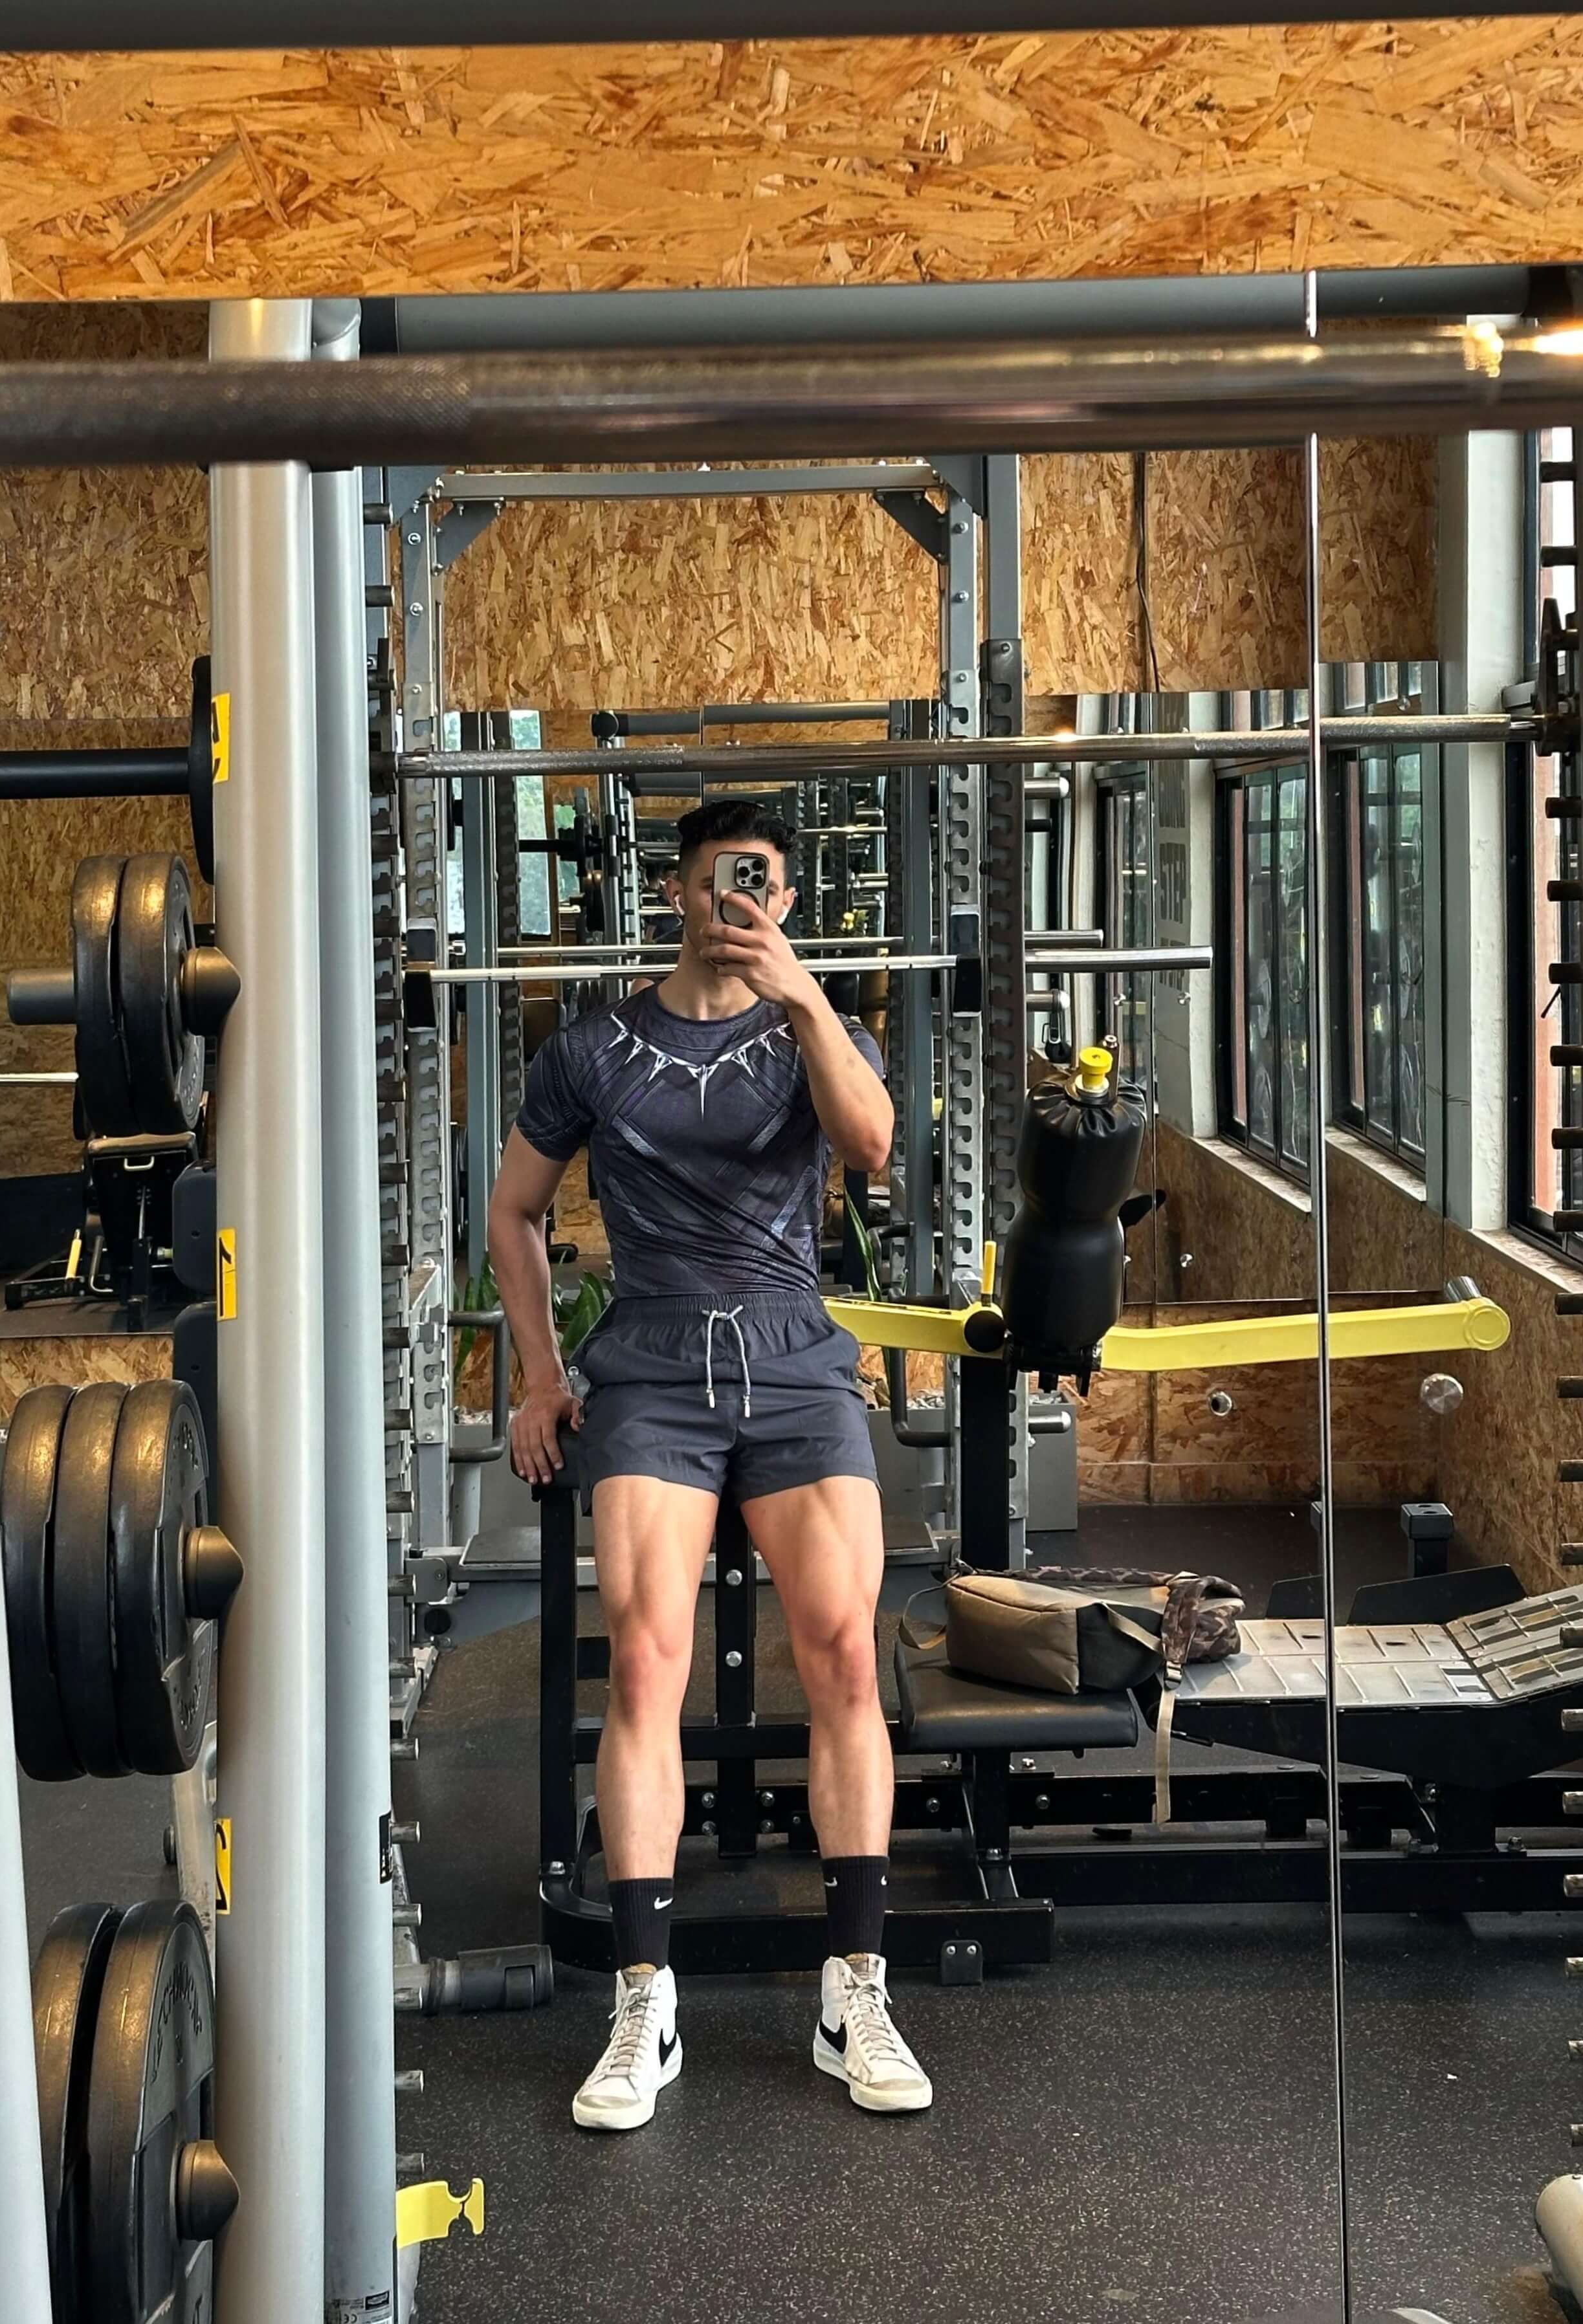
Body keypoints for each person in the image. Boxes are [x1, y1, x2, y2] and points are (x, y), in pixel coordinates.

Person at [488, 795, 933, 2132]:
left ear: (786, 902)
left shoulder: (818, 1027)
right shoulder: (592, 1048)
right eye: (723, 880)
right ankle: (644, 1998)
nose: (745, 900)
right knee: (644, 1656)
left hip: (794, 1355)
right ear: (678, 893)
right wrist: (541, 1376)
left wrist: (803, 999)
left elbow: (873, 1148)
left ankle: (854, 1988)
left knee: (844, 1648)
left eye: (768, 884)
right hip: (654, 1361)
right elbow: (512, 1210)